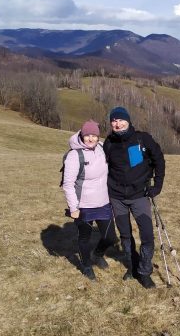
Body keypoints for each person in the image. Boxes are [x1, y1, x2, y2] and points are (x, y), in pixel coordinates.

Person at [103, 106, 165, 289]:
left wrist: (157, 186)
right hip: (117, 197)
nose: (118, 124)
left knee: (147, 235)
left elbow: (159, 160)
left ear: (128, 121)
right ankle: (132, 267)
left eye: (121, 120)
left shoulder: (142, 139)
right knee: (125, 235)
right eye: (114, 121)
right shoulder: (109, 143)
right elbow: (102, 168)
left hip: (140, 195)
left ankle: (144, 272)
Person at [62, 120, 117, 280]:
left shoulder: (101, 148)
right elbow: (68, 184)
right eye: (87, 135)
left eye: (94, 135)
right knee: (84, 238)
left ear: (98, 136)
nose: (91, 138)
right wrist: (73, 208)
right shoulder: (74, 155)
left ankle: (97, 254)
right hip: (83, 206)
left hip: (103, 202)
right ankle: (86, 265)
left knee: (110, 237)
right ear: (82, 135)